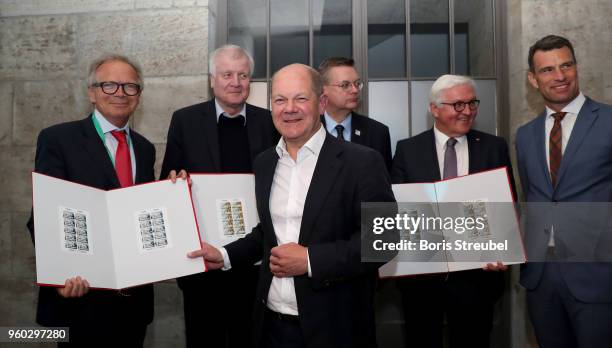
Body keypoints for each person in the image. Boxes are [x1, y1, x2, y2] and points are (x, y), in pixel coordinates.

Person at [188, 63, 395, 348]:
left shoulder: (363, 161)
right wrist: (223, 255)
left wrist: (310, 260)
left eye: (300, 98)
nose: (289, 108)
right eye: (280, 100)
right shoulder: (265, 163)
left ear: (321, 103)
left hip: (335, 327)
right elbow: (269, 234)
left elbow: (383, 241)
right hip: (271, 326)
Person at [26, 55, 155, 346]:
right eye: (109, 85)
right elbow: (45, 215)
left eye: (130, 86)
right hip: (81, 299)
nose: (120, 93)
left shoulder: (145, 149)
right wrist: (60, 274)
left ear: (139, 95)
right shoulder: (58, 139)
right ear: (91, 92)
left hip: (134, 304)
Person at [159, 44, 278, 348]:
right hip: (202, 265)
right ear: (212, 79)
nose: (235, 82)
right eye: (227, 74)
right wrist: (175, 182)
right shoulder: (185, 120)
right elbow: (168, 180)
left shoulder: (270, 122)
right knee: (203, 339)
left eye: (243, 75)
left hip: (254, 261)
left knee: (250, 339)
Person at [391, 74, 516, 348]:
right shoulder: (407, 150)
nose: (468, 111)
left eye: (472, 103)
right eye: (458, 105)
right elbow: (397, 212)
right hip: (421, 281)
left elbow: (508, 209)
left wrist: (504, 250)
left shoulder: (494, 147)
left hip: (477, 280)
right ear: (434, 108)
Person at [516, 34, 612, 348]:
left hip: (598, 276)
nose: (559, 76)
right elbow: (532, 200)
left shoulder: (609, 121)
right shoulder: (525, 135)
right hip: (541, 279)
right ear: (533, 79)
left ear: (576, 68)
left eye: (566, 65)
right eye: (547, 70)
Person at [318, 57, 392, 169]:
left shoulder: (377, 132)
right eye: (345, 85)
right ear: (323, 90)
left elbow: (383, 181)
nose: (355, 90)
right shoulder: (308, 129)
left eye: (357, 84)